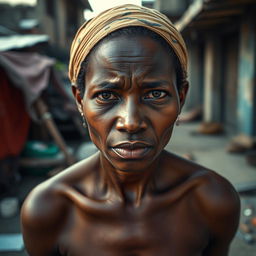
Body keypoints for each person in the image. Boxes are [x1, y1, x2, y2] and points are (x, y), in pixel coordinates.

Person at [21, 4, 240, 256]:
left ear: (181, 97)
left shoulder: (213, 201)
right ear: (80, 100)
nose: (131, 122)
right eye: (106, 95)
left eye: (155, 94)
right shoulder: (48, 210)